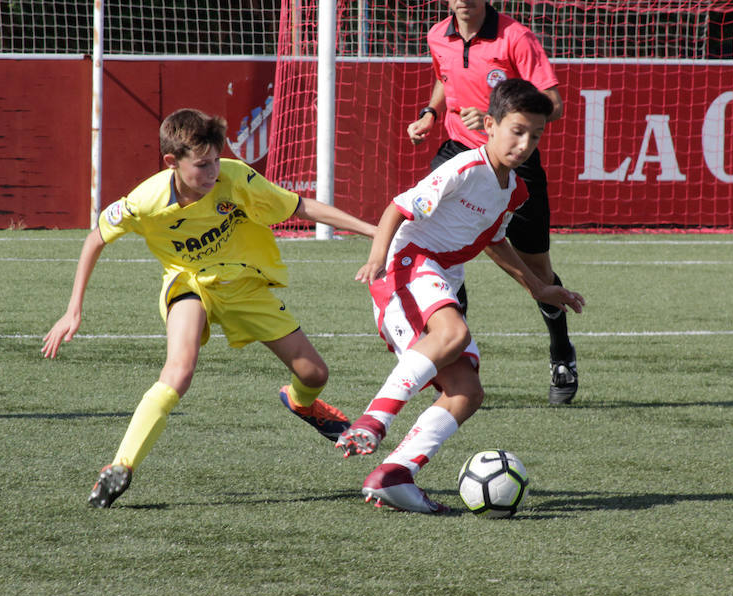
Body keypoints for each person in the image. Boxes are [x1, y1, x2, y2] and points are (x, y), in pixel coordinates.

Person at [42, 108, 377, 508]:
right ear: (172, 163)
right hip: (189, 282)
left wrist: (377, 232)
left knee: (314, 372)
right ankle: (120, 467)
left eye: (217, 160)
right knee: (179, 369)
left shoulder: (236, 178)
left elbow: (300, 206)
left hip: (242, 282)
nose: (214, 172)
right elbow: (95, 239)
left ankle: (302, 402)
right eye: (202, 165)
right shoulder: (145, 201)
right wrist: (73, 308)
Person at [337, 79, 585, 513]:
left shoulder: (515, 190)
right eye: (517, 130)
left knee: (467, 392)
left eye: (536, 135)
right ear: (490, 125)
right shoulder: (464, 168)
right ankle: (375, 419)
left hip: (437, 275)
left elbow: (494, 241)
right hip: (407, 264)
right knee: (452, 331)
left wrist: (539, 287)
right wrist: (378, 257)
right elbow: (398, 207)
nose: (525, 144)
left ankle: (394, 473)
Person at [407, 0, 579, 404]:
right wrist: (431, 113)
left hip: (512, 165)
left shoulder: (515, 36)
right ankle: (455, 364)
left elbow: (551, 104)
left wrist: (490, 116)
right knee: (438, 254)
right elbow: (444, 79)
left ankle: (561, 353)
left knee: (537, 268)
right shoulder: (437, 35)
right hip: (456, 156)